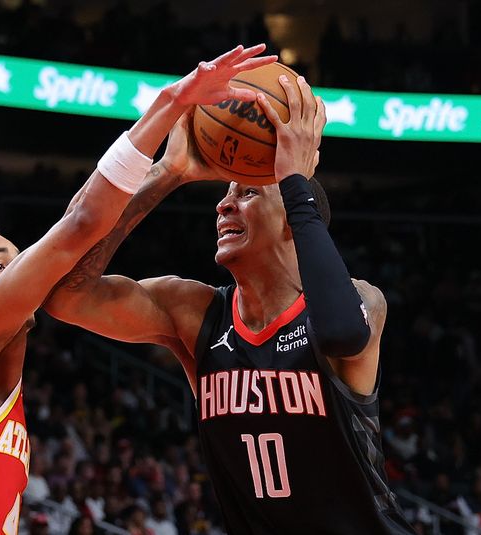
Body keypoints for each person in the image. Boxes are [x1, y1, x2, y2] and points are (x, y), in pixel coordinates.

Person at [0, 44, 277, 535]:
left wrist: (169, 171)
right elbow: (82, 223)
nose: (24, 273)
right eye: (3, 266)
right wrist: (170, 106)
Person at [45, 74, 415, 533]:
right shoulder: (194, 313)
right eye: (225, 194)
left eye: (248, 193)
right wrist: (167, 173)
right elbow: (63, 292)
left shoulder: (364, 300)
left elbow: (341, 331)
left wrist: (294, 178)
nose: (223, 206)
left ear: (294, 222)